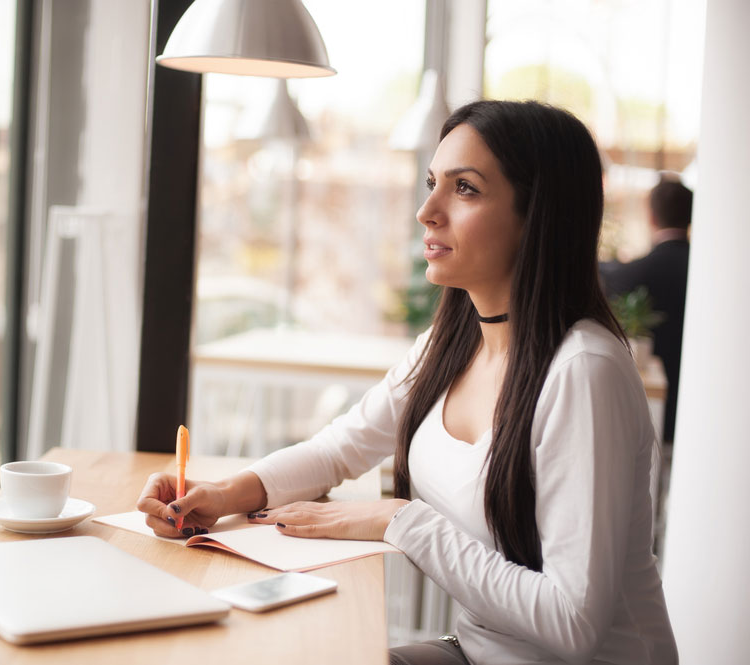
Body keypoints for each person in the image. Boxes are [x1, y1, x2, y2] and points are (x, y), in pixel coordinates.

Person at [137, 100, 677, 665]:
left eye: (464, 189)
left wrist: (399, 520)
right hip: (476, 653)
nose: (427, 211)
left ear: (537, 215)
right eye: (431, 183)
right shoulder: (451, 342)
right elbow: (340, 448)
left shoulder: (584, 371)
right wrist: (221, 496)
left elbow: (572, 624)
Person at [601, 175, 692, 444]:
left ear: (651, 217)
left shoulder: (631, 275)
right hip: (698, 398)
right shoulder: (709, 278)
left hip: (649, 402)